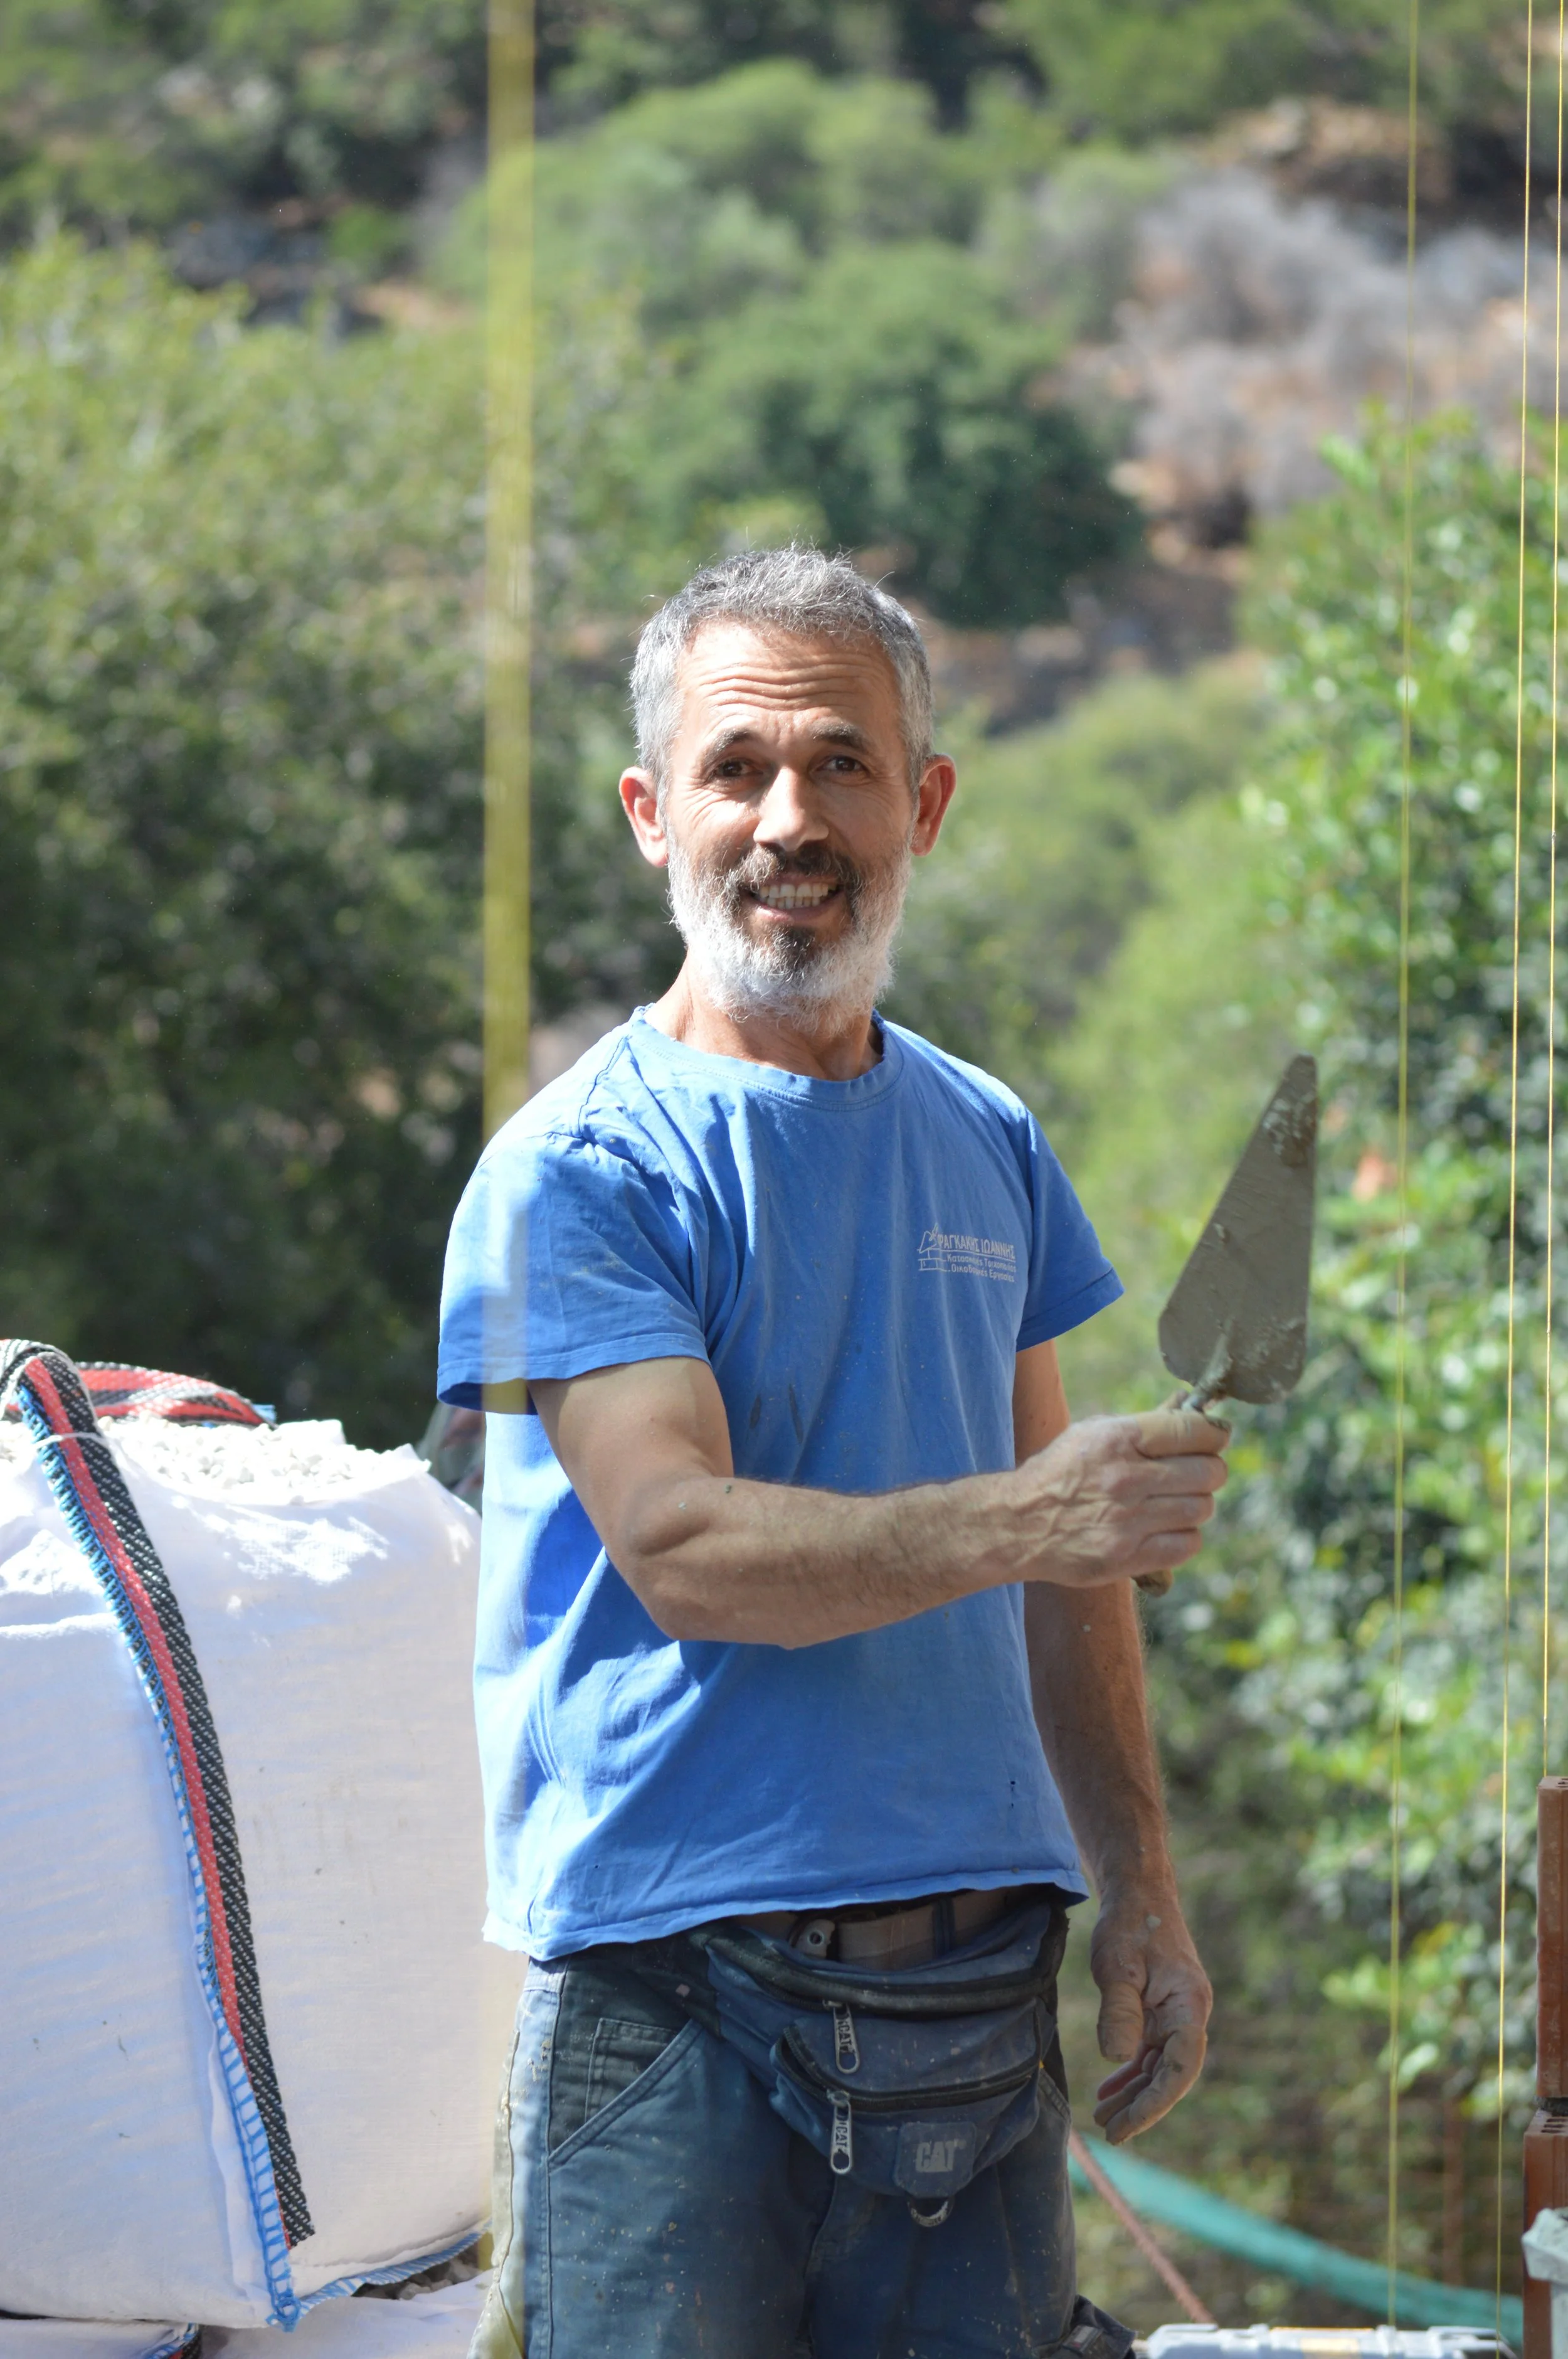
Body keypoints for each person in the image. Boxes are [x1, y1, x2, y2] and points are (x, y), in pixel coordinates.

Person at [438, 548, 1229, 2359]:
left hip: (983, 2001)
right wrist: (1034, 1512)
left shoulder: (990, 1138)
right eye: (735, 769)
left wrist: (1144, 1895)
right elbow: (682, 1546)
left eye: (842, 765)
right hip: (675, 2012)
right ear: (652, 814)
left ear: (924, 803)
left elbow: (1067, 1574)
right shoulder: (585, 1170)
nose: (788, 819)